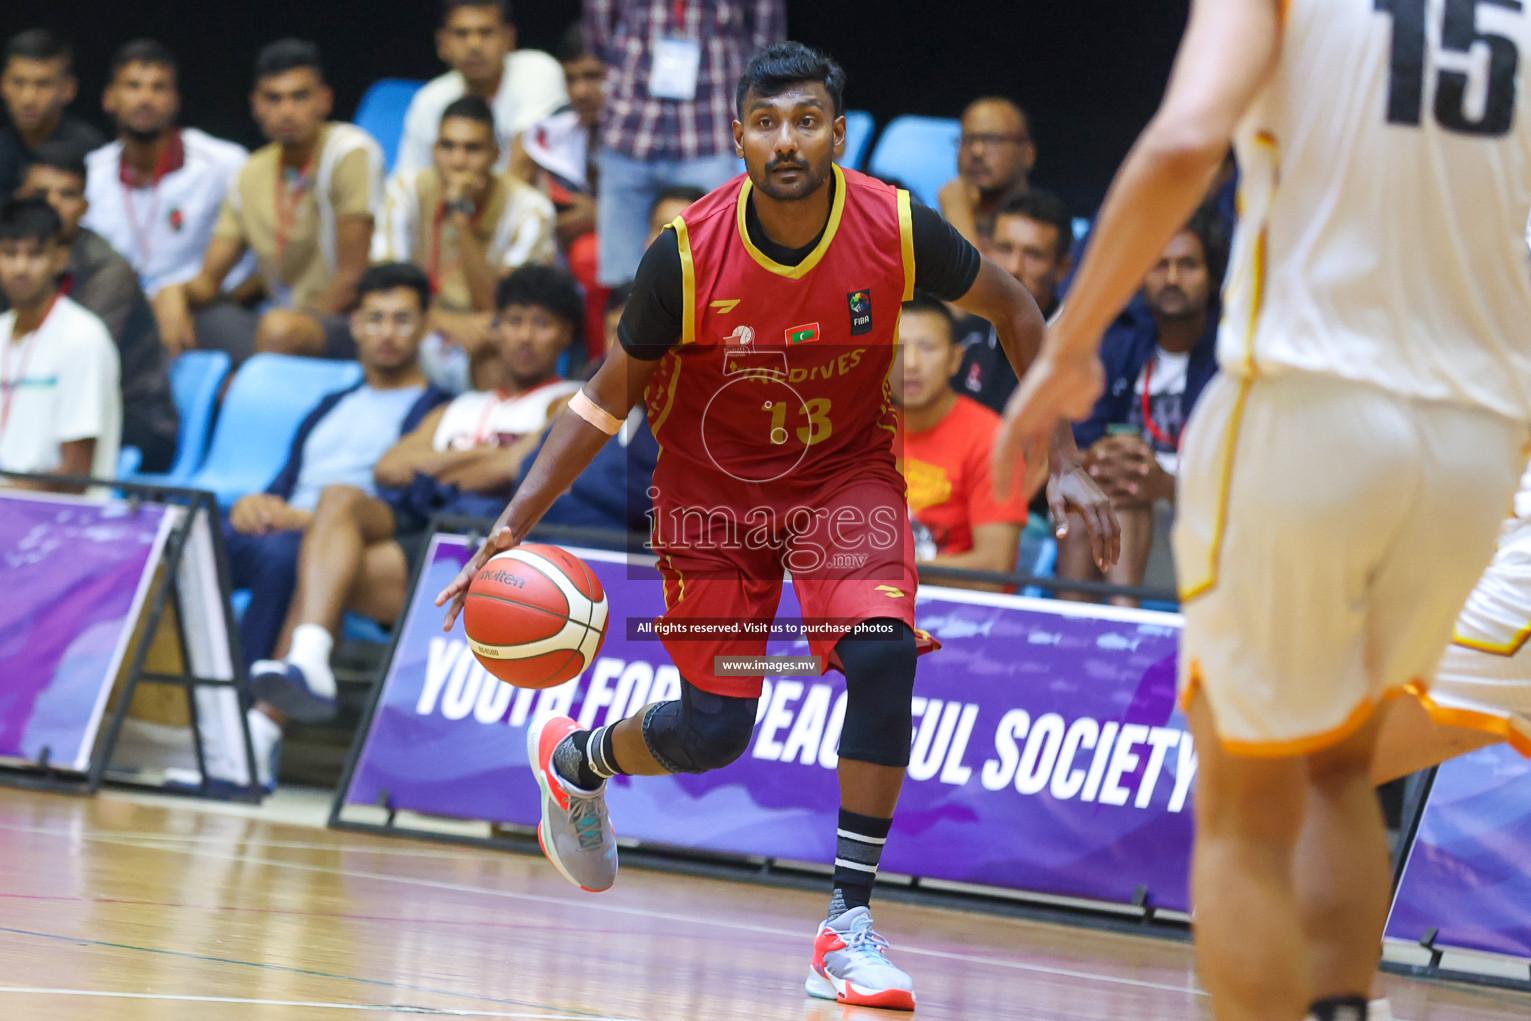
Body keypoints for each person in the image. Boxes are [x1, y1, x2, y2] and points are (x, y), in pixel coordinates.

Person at [436, 43, 1116, 1010]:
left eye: (806, 121)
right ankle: (576, 759)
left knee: (881, 655)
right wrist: (510, 524)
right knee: (718, 729)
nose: (786, 140)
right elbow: (601, 403)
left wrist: (1068, 462)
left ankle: (846, 927)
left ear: (837, 134)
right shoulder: (683, 254)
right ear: (738, 136)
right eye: (767, 122)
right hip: (711, 502)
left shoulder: (891, 223)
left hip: (843, 480)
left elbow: (1012, 308)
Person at [994, 2, 1531, 1020]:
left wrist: (1073, 342)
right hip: (1475, 444)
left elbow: (1189, 136)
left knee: (1249, 792)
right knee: (1339, 763)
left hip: (1311, 400)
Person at [253, 264, 582, 723]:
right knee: (338, 498)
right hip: (422, 524)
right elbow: (389, 468)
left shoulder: (568, 401)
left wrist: (439, 463)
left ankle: (267, 723)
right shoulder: (459, 404)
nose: (525, 337)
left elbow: (513, 469)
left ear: (565, 335)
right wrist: (481, 459)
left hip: (479, 547)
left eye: (541, 324)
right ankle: (307, 659)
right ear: (495, 330)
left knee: (325, 571)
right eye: (513, 322)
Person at [223, 263, 449, 788]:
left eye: (401, 319)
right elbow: (287, 478)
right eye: (374, 318)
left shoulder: (435, 408)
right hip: (284, 523)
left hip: (337, 536)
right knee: (182, 540)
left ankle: (241, 734)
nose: (386, 333)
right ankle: (166, 717)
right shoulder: (333, 402)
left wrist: (302, 519)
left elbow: (406, 507)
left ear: (424, 326)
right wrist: (256, 503)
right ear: (353, 324)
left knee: (284, 559)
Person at [161, 40, 384, 360]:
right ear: (256, 105)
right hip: (276, 323)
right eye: (273, 99)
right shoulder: (249, 173)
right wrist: (173, 294)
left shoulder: (349, 152)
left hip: (350, 322)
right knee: (175, 318)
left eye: (300, 97)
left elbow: (352, 282)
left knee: (279, 331)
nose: (286, 110)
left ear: (325, 100)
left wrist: (294, 324)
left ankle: (246, 380)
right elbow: (209, 282)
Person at [1056, 208, 1224, 606]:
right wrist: (1101, 458)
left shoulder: (1231, 358)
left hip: (1199, 511)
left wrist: (1165, 485)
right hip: (1121, 501)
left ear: (1213, 276)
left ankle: (1121, 625)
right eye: (1159, 265)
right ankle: (1074, 630)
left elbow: (1247, 479)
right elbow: (1078, 441)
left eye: (1187, 266)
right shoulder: (1119, 342)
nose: (1171, 279)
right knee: (1102, 494)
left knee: (1122, 495)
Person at [585, 0, 787, 287]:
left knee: (721, 273)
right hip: (629, 129)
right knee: (623, 281)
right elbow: (599, 34)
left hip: (711, 132)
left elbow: (768, 47)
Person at [82, 39, 255, 359]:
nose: (145, 98)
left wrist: (188, 296)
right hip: (119, 313)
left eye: (158, 88)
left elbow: (259, 261)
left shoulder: (224, 164)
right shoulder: (91, 173)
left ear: (176, 101)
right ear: (109, 98)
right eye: (133, 86)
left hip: (206, 306)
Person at [373, 96, 556, 394]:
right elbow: (382, 288)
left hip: (482, 335)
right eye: (448, 147)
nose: (458, 161)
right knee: (379, 327)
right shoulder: (406, 191)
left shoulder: (529, 209)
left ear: (496, 154)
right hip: (415, 325)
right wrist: (443, 322)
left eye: (472, 149)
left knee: (495, 352)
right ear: (434, 150)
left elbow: (499, 306)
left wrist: (460, 217)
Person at [16, 143, 178, 474]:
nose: (53, 205)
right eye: (41, 193)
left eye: (67, 195)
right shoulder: (14, 266)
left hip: (132, 418)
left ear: (85, 205)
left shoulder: (109, 271)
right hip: (41, 404)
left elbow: (68, 361)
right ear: (20, 199)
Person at [895, 293, 1031, 589]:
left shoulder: (991, 438)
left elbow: (995, 570)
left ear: (956, 359)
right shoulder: (861, 429)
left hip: (960, 609)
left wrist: (894, 568)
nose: (911, 364)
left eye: (927, 347)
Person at [516, 281, 656, 536]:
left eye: (640, 332)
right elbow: (528, 470)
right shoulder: (583, 401)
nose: (624, 346)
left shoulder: (683, 418)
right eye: (616, 332)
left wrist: (570, 480)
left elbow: (653, 506)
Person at [0, 197, 119, 490]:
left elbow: (76, 476)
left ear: (60, 259)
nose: (20, 268)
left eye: (35, 254)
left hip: (61, 519)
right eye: (9, 253)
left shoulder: (82, 337)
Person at [512, 22, 609, 362]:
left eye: (594, 76)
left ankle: (599, 373)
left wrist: (601, 217)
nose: (580, 91)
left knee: (590, 254)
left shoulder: (658, 131)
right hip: (558, 269)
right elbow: (513, 206)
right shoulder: (547, 135)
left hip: (636, 270)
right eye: (571, 79)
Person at [395, 0, 567, 177]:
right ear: (442, 43)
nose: (474, 45)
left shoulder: (537, 71)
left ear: (509, 38)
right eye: (461, 34)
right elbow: (408, 183)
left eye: (486, 33)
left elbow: (523, 169)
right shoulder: (428, 99)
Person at [954, 188, 1073, 415]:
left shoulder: (1081, 351)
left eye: (1033, 255)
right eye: (1004, 249)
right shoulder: (962, 339)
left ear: (1062, 268)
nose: (1014, 268)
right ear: (986, 251)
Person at [0, 30, 104, 199]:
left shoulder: (93, 156)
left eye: (43, 84)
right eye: (18, 83)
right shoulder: (2, 148)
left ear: (68, 89)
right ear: (3, 84)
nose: (28, 98)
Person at [937, 97, 1034, 248]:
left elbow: (984, 272)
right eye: (968, 140)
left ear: (1028, 154)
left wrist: (958, 213)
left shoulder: (1045, 225)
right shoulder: (936, 223)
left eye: (993, 140)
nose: (977, 151)